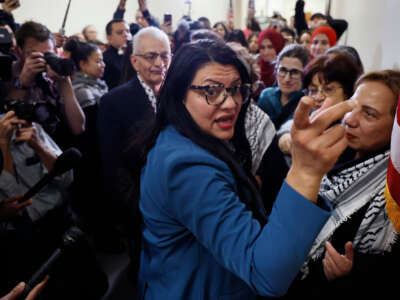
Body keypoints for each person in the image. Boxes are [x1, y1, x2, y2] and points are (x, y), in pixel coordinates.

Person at [120, 39, 356, 299]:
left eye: (234, 89)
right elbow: (266, 275)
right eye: (211, 90)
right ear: (179, 95)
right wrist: (306, 172)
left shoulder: (183, 137)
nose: (230, 103)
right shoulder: (186, 167)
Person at [282, 69, 400, 299]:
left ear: (395, 130)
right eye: (352, 106)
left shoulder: (392, 193)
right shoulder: (335, 151)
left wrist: (351, 273)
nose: (350, 119)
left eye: (369, 114)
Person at [97, 26, 171, 249]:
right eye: (151, 56)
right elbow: (112, 165)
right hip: (140, 207)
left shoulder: (180, 94)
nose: (159, 63)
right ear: (134, 61)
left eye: (165, 55)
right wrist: (136, 206)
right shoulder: (114, 102)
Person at [6, 21, 85, 150]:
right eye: (34, 54)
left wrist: (65, 84)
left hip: (51, 151)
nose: (42, 60)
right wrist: (23, 82)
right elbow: (5, 124)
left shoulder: (53, 75)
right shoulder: (6, 73)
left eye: (47, 54)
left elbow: (78, 128)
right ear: (18, 51)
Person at [278, 53, 360, 159]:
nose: (318, 97)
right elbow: (290, 128)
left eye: (328, 89)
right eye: (313, 90)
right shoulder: (311, 114)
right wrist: (286, 138)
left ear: (348, 92)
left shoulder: (354, 128)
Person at [258, 43, 310, 129]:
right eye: (283, 70)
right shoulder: (266, 96)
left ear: (304, 74)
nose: (287, 79)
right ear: (276, 70)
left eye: (295, 72)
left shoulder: (308, 104)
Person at [102, 19, 131, 90]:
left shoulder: (137, 54)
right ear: (109, 37)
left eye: (128, 31)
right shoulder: (105, 58)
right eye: (120, 32)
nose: (125, 35)